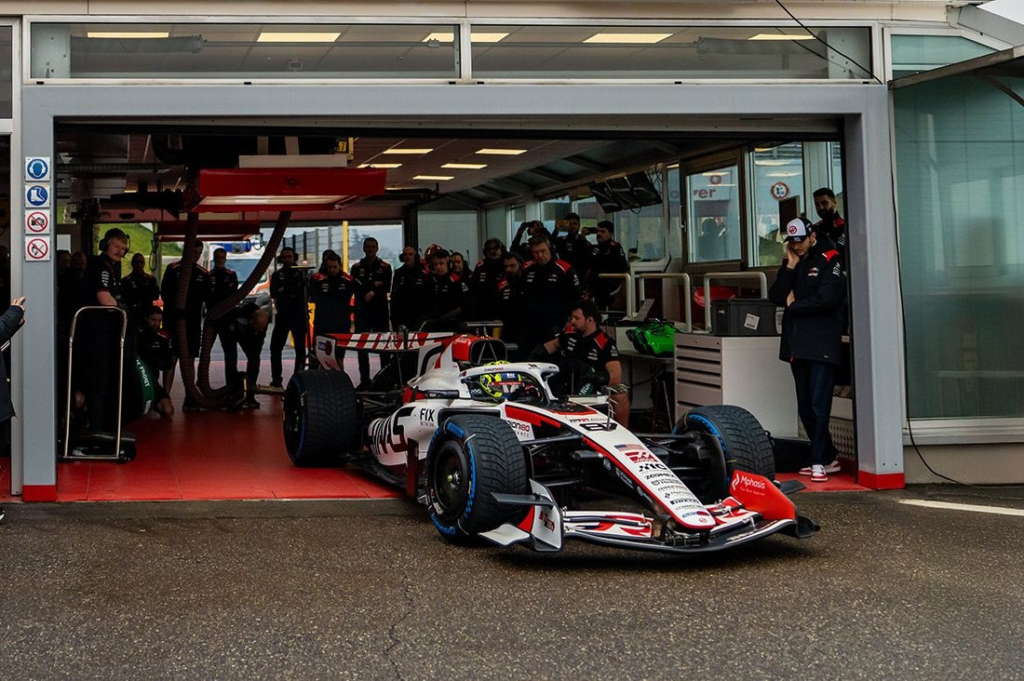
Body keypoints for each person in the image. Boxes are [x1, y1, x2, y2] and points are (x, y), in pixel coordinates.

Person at [768, 218, 846, 483]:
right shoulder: (793, 262)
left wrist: (794, 305)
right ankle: (827, 456)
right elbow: (776, 296)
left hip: (822, 343)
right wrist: (790, 267)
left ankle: (817, 460)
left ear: (812, 235)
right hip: (796, 344)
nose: (796, 245)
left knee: (818, 402)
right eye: (792, 241)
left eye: (800, 240)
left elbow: (827, 299)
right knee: (805, 405)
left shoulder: (831, 259)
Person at [531, 299, 629, 427]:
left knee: (620, 394)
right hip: (564, 382)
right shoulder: (570, 334)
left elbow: (616, 376)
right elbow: (551, 346)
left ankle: (623, 434)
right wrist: (531, 359)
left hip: (591, 387)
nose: (572, 321)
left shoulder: (604, 343)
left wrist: (588, 376)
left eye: (577, 318)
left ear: (590, 320)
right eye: (572, 318)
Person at [78, 228, 131, 431]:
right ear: (106, 244)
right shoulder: (101, 265)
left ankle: (100, 424)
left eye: (123, 247)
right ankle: (97, 428)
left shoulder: (111, 266)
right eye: (116, 246)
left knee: (101, 380)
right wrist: (123, 312)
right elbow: (103, 297)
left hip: (100, 332)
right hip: (94, 333)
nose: (120, 251)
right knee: (97, 381)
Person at [160, 240, 210, 409]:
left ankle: (191, 397)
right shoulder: (173, 269)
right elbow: (165, 292)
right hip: (173, 321)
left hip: (192, 323)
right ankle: (165, 396)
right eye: (192, 253)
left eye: (198, 253)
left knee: (189, 360)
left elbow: (207, 298)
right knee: (171, 359)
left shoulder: (202, 274)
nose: (195, 256)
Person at [517, 235, 581, 361]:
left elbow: (576, 298)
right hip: (531, 325)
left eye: (543, 251)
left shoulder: (564, 269)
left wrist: (570, 323)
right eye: (536, 252)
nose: (540, 255)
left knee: (553, 360)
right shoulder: (527, 269)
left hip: (555, 325)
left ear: (550, 249)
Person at [351, 237, 392, 387]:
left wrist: (372, 290)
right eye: (367, 246)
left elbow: (386, 286)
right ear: (364, 248)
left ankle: (385, 381)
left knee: (384, 347)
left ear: (377, 248)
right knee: (362, 347)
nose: (370, 249)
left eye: (373, 246)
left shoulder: (385, 267)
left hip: (379, 312)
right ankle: (364, 380)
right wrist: (373, 285)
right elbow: (354, 286)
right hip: (362, 311)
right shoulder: (356, 267)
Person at [269, 246, 309, 388]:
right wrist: (291, 289)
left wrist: (285, 289)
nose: (287, 260)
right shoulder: (277, 275)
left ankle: (298, 378)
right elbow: (274, 293)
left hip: (298, 315)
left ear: (294, 257)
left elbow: (306, 292)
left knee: (300, 348)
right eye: (284, 257)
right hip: (283, 315)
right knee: (275, 348)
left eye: (289, 257)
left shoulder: (302, 273)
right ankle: (276, 379)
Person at [220, 303, 269, 409]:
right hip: (229, 330)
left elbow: (258, 343)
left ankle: (250, 392)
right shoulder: (235, 314)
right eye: (259, 327)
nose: (261, 330)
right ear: (252, 321)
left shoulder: (262, 323)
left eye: (262, 328)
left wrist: (254, 352)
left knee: (255, 359)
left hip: (249, 335)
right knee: (231, 357)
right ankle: (231, 390)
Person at [425, 249, 475, 331]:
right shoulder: (432, 281)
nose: (438, 267)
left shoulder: (457, 282)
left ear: (449, 265)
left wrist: (447, 317)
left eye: (441, 263)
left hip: (454, 326)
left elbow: (468, 306)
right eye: (435, 264)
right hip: (436, 324)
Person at [310, 251, 355, 341]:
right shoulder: (318, 280)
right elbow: (311, 298)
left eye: (334, 267)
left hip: (341, 324)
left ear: (340, 266)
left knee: (339, 353)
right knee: (320, 352)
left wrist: (351, 309)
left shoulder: (348, 280)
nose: (332, 270)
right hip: (322, 323)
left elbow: (361, 296)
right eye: (329, 267)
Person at [587, 220, 629, 309]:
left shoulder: (615, 247)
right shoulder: (594, 248)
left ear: (610, 234)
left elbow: (622, 268)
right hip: (596, 289)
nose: (598, 234)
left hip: (611, 287)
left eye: (602, 231)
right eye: (597, 231)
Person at [391, 245, 430, 330]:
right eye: (405, 254)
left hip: (419, 316)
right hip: (401, 316)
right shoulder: (398, 273)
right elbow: (394, 296)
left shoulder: (424, 273)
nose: (408, 257)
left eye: (410, 254)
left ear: (415, 256)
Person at [470, 238, 506, 322]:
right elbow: (473, 286)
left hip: (503, 307)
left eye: (496, 248)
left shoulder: (507, 263)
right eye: (489, 249)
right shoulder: (481, 266)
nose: (493, 251)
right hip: (484, 308)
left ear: (501, 249)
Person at [812, 187, 848, 269]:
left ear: (834, 203)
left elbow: (838, 253)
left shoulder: (844, 227)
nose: (821, 207)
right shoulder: (815, 228)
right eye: (817, 205)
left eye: (824, 203)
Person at [121, 253, 160, 329]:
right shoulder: (125, 281)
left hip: (147, 313)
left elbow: (156, 296)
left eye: (141, 262)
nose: (138, 265)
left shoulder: (151, 280)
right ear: (132, 263)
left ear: (144, 264)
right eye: (136, 262)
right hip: (131, 313)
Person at [497, 252, 524, 354]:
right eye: (506, 267)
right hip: (507, 331)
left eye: (512, 266)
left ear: (520, 265)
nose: (508, 270)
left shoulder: (528, 284)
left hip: (525, 331)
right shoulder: (501, 287)